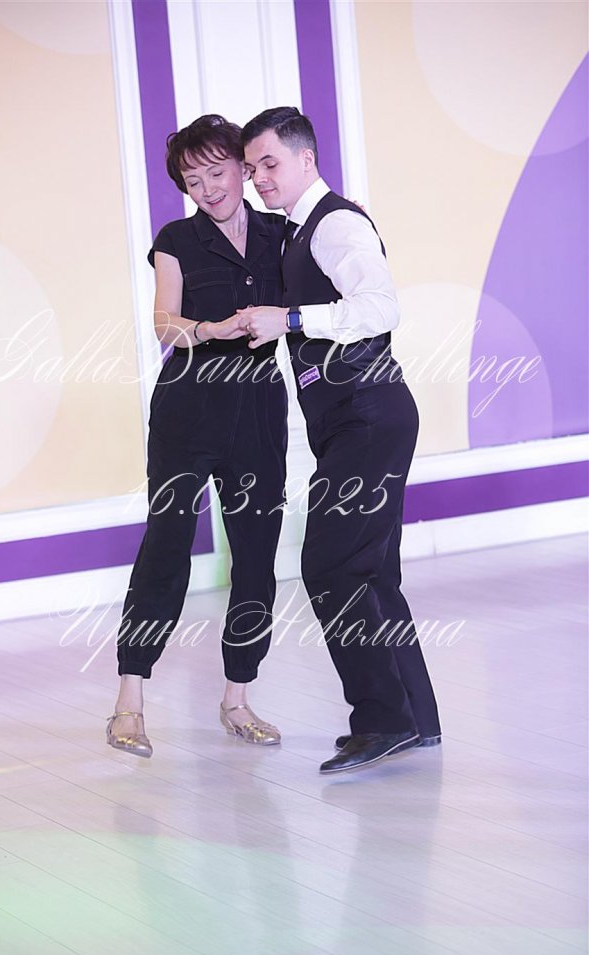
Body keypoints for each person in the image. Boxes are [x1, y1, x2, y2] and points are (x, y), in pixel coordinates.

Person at [226, 106, 441, 773]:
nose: (260, 178)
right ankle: (415, 719)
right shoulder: (300, 231)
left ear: (307, 158)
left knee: (329, 566)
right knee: (372, 570)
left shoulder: (336, 223)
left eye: (270, 163)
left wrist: (290, 318)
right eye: (252, 168)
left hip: (367, 415)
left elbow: (380, 306)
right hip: (360, 418)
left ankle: (382, 721)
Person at [106, 115, 288, 758]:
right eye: (193, 180)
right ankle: (129, 701)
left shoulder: (282, 234)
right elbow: (165, 323)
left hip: (259, 410)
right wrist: (210, 330)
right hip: (188, 406)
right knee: (166, 547)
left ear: (243, 167)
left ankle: (237, 698)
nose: (209, 189)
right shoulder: (176, 239)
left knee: (256, 553)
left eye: (217, 172)